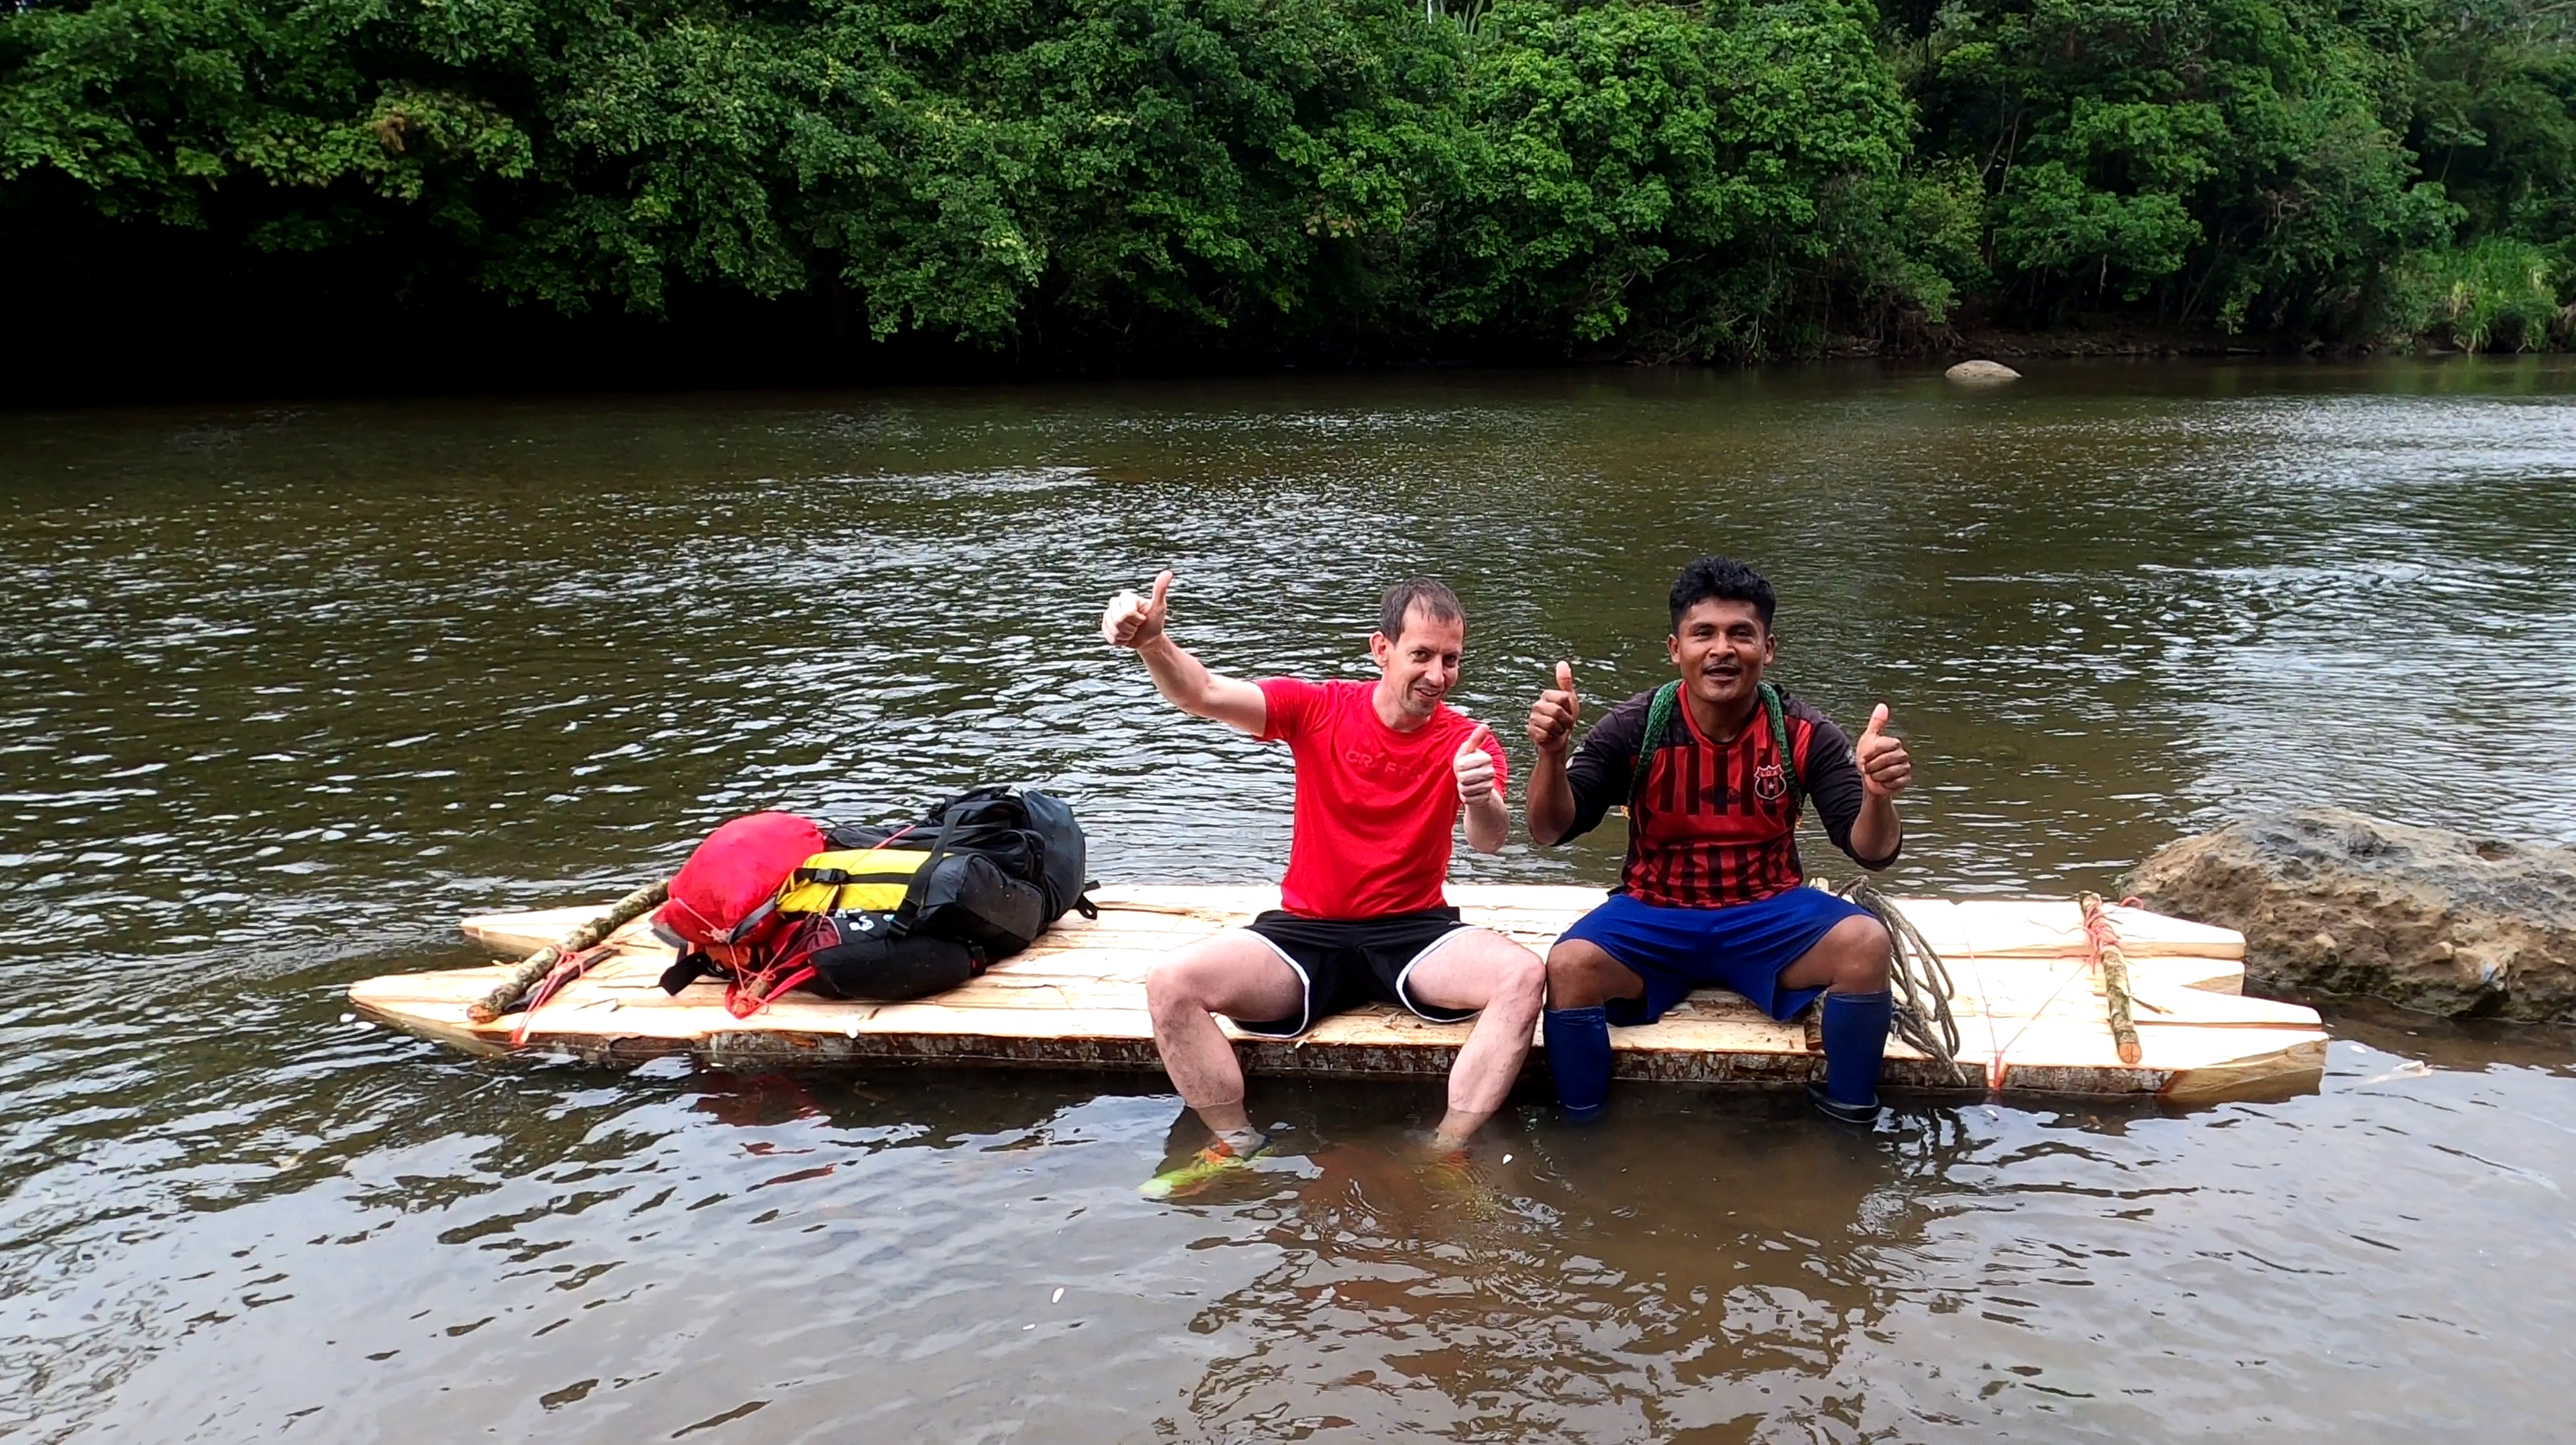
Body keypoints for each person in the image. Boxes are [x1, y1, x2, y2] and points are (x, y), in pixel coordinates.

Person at [1101, 570, 1547, 1194]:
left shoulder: (1466, 742)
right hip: (1305, 931)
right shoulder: (1318, 709)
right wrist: (1154, 642)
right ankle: (1235, 1140)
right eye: (1421, 654)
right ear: (1381, 648)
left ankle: (1446, 1150)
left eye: (1450, 660)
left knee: (1522, 974)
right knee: (1171, 982)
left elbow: (1489, 840)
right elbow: (1201, 692)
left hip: (1412, 931)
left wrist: (1478, 797)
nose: (1437, 675)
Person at [1524, 556, 1914, 1125]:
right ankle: (1584, 1124)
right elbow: (1549, 828)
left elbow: (1871, 852)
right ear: (1674, 648)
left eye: (1741, 634)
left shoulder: (1802, 732)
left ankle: (1850, 1118)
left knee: (1865, 944)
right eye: (1703, 633)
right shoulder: (1636, 727)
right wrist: (1551, 756)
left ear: (1769, 648)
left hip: (1767, 910)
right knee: (1570, 965)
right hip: (1656, 911)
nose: (1722, 650)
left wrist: (1878, 794)